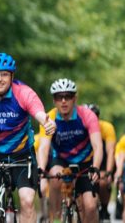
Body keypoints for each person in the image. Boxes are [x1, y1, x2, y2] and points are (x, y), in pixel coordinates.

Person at [0, 52, 56, 222]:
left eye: (4, 74)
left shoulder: (23, 92)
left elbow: (39, 113)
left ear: (12, 76)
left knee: (27, 200)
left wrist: (47, 123)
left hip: (21, 153)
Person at [37, 78, 103, 223]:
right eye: (59, 97)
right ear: (54, 100)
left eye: (68, 96)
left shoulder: (87, 115)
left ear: (75, 98)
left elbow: (98, 146)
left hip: (85, 162)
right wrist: (41, 169)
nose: (64, 101)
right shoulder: (49, 118)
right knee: (54, 176)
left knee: (90, 207)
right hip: (61, 159)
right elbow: (43, 147)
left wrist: (96, 167)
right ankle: (55, 219)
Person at [83, 103, 116, 221]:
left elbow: (110, 151)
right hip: (85, 160)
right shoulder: (80, 128)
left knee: (102, 182)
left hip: (104, 160)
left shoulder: (107, 127)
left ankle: (104, 208)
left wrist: (108, 172)